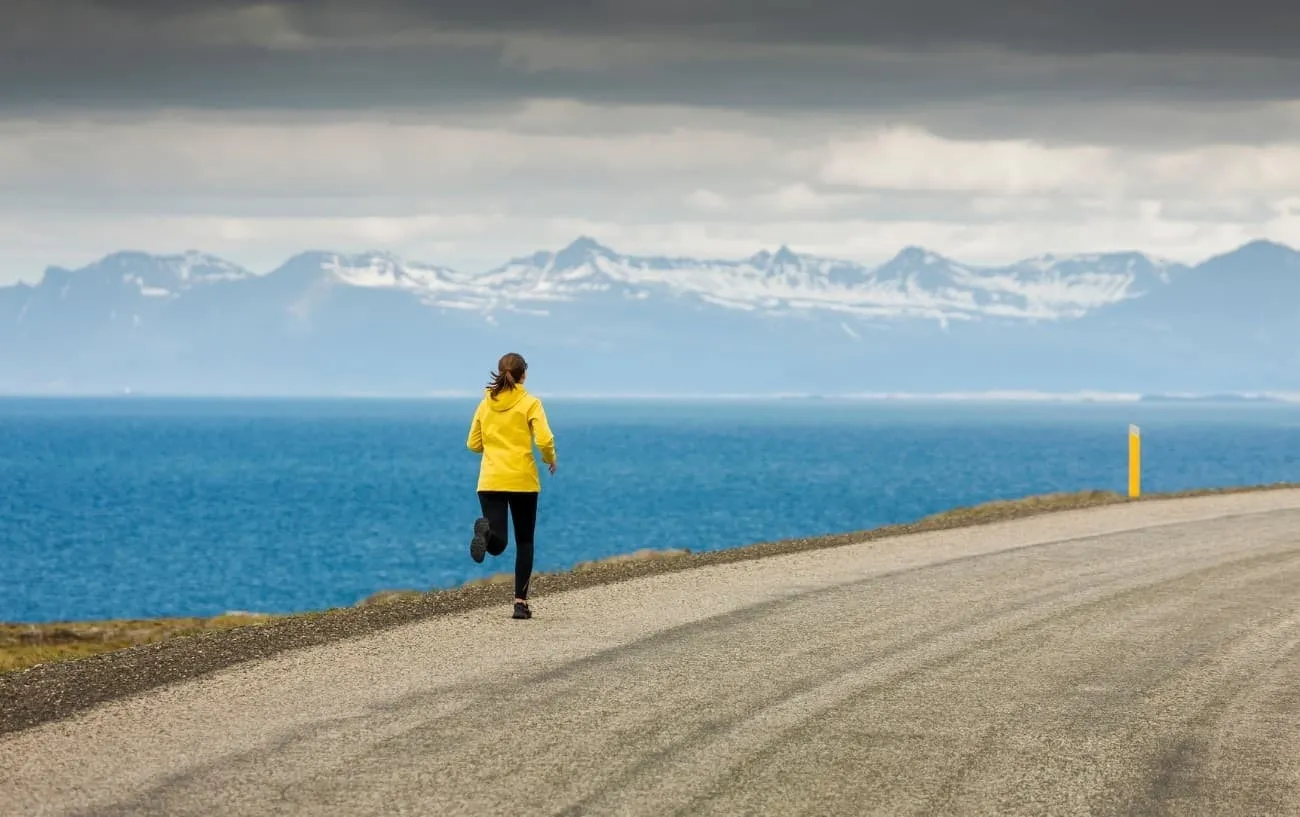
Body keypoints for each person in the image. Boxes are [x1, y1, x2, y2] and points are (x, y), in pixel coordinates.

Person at [465, 352, 557, 620]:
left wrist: (493, 444)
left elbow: (473, 444)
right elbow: (544, 439)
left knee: (498, 543)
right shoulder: (530, 403)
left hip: (491, 479)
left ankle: (485, 536)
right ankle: (520, 604)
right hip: (522, 480)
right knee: (525, 541)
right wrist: (550, 459)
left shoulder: (485, 405)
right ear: (523, 375)